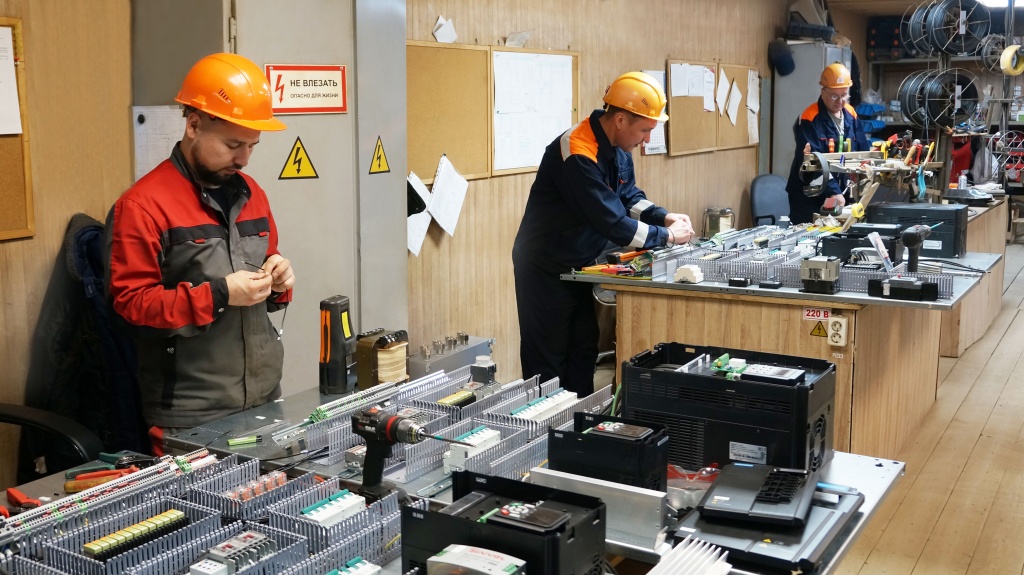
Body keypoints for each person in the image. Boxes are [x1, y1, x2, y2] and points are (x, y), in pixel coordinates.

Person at [106, 53, 295, 453]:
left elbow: (268, 274)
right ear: (193, 125)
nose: (243, 159)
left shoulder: (252, 194)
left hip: (264, 399)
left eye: (252, 146)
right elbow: (130, 307)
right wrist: (220, 294)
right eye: (233, 145)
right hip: (191, 416)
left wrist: (279, 282)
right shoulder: (143, 206)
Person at [512, 71, 694, 397]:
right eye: (645, 130)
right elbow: (612, 221)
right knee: (548, 362)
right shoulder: (577, 151)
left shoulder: (618, 145)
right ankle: (544, 427)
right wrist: (667, 237)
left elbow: (628, 197)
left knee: (583, 350)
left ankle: (580, 422)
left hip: (578, 264)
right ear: (621, 120)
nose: (647, 140)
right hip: (544, 266)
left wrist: (663, 216)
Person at [786, 62, 870, 224]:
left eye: (844, 95)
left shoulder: (851, 114)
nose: (840, 101)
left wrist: (865, 173)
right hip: (809, 196)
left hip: (840, 192)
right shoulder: (810, 118)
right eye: (834, 96)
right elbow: (811, 164)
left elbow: (863, 151)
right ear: (823, 92)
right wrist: (833, 191)